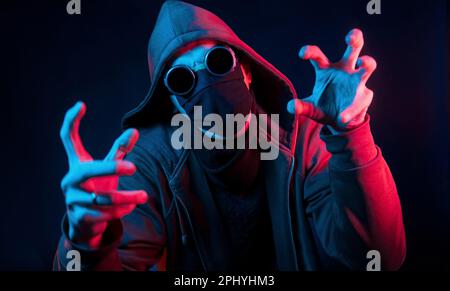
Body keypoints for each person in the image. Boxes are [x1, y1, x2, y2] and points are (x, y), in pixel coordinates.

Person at [54, 0, 406, 271]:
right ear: (174, 104)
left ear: (247, 71)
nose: (208, 89)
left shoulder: (301, 138)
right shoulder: (145, 165)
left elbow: (376, 257)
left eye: (218, 63)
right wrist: (86, 242)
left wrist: (351, 134)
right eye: (182, 81)